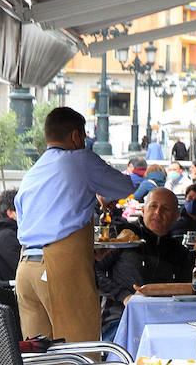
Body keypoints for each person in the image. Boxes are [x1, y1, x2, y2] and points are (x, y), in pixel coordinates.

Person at [14, 107, 135, 343]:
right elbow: (125, 187)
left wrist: (85, 249)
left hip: (25, 272)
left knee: (38, 359)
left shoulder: (33, 171)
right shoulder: (81, 160)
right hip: (60, 271)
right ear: (76, 136)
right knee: (80, 356)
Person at [94, 188, 193, 342]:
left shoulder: (180, 253)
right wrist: (124, 296)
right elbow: (94, 272)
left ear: (176, 216)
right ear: (143, 210)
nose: (157, 213)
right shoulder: (124, 237)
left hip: (164, 323)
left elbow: (185, 294)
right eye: (153, 206)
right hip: (121, 320)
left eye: (165, 209)